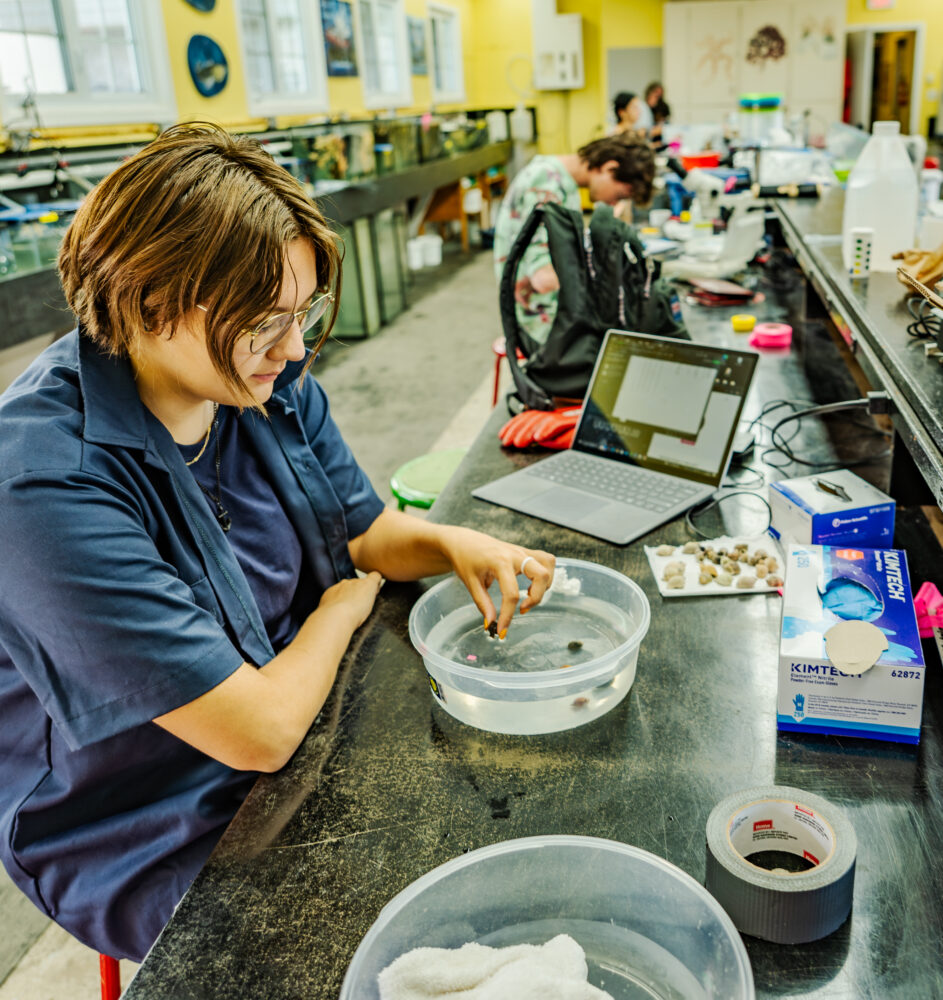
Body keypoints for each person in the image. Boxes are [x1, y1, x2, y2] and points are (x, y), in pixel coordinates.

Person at [0, 123, 555, 963]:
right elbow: (254, 731)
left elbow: (364, 531)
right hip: (145, 814)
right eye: (265, 322)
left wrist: (452, 543)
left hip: (301, 713)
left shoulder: (260, 378)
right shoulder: (44, 484)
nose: (295, 349)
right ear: (149, 303)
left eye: (303, 315)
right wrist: (338, 608)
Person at [493, 134, 655, 347]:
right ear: (609, 168)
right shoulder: (546, 183)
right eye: (620, 195)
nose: (615, 202)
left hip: (555, 312)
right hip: (541, 324)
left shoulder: (564, 183)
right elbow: (544, 279)